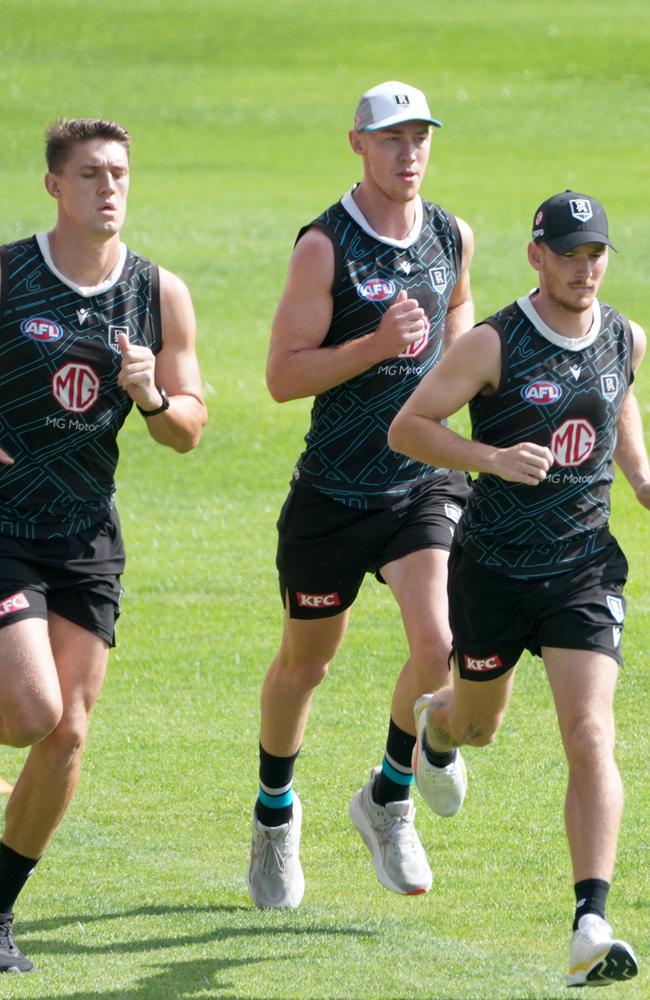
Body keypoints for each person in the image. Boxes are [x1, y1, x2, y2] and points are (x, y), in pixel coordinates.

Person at [389, 190, 648, 988]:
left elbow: (619, 411)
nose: (584, 268)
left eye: (594, 253)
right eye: (568, 254)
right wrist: (492, 459)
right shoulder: (494, 342)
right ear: (537, 255)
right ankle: (436, 728)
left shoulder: (626, 337)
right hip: (494, 573)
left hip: (581, 570)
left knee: (591, 732)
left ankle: (590, 922)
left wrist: (642, 478)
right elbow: (409, 427)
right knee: (477, 728)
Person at [247, 81, 474, 909]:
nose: (408, 154)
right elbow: (281, 376)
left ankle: (388, 795)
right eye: (391, 140)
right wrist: (374, 345)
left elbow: (462, 339)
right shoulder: (325, 245)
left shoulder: (452, 234)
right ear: (357, 144)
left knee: (438, 640)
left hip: (420, 483)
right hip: (335, 493)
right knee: (306, 666)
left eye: (419, 139)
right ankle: (275, 814)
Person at [0, 118, 207, 972]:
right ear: (55, 185)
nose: (108, 189)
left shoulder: (160, 294)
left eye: (118, 174)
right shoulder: (9, 276)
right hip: (4, 524)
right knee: (28, 712)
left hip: (85, 533)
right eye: (89, 175)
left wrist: (153, 394)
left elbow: (189, 429)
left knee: (69, 735)